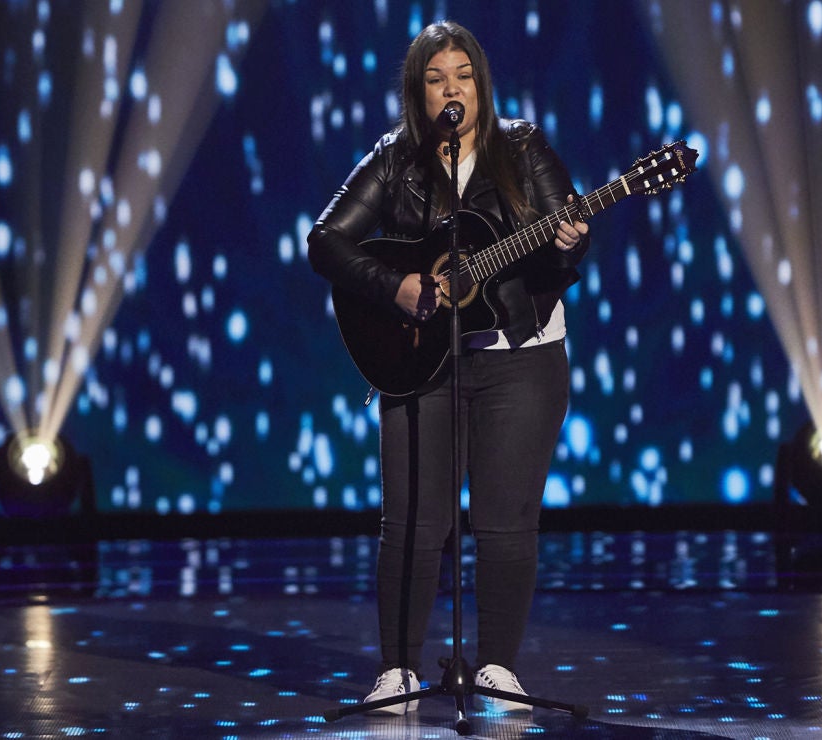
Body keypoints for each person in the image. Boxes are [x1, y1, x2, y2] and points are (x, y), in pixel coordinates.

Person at [307, 20, 589, 715]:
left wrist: (567, 240)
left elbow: (564, 253)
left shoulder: (522, 148)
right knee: (411, 522)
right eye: (435, 79)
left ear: (481, 85)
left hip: (520, 358)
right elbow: (326, 242)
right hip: (421, 360)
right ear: (418, 93)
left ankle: (495, 665)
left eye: (461, 75)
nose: (450, 89)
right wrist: (394, 287)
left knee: (506, 522)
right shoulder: (395, 158)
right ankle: (398, 672)